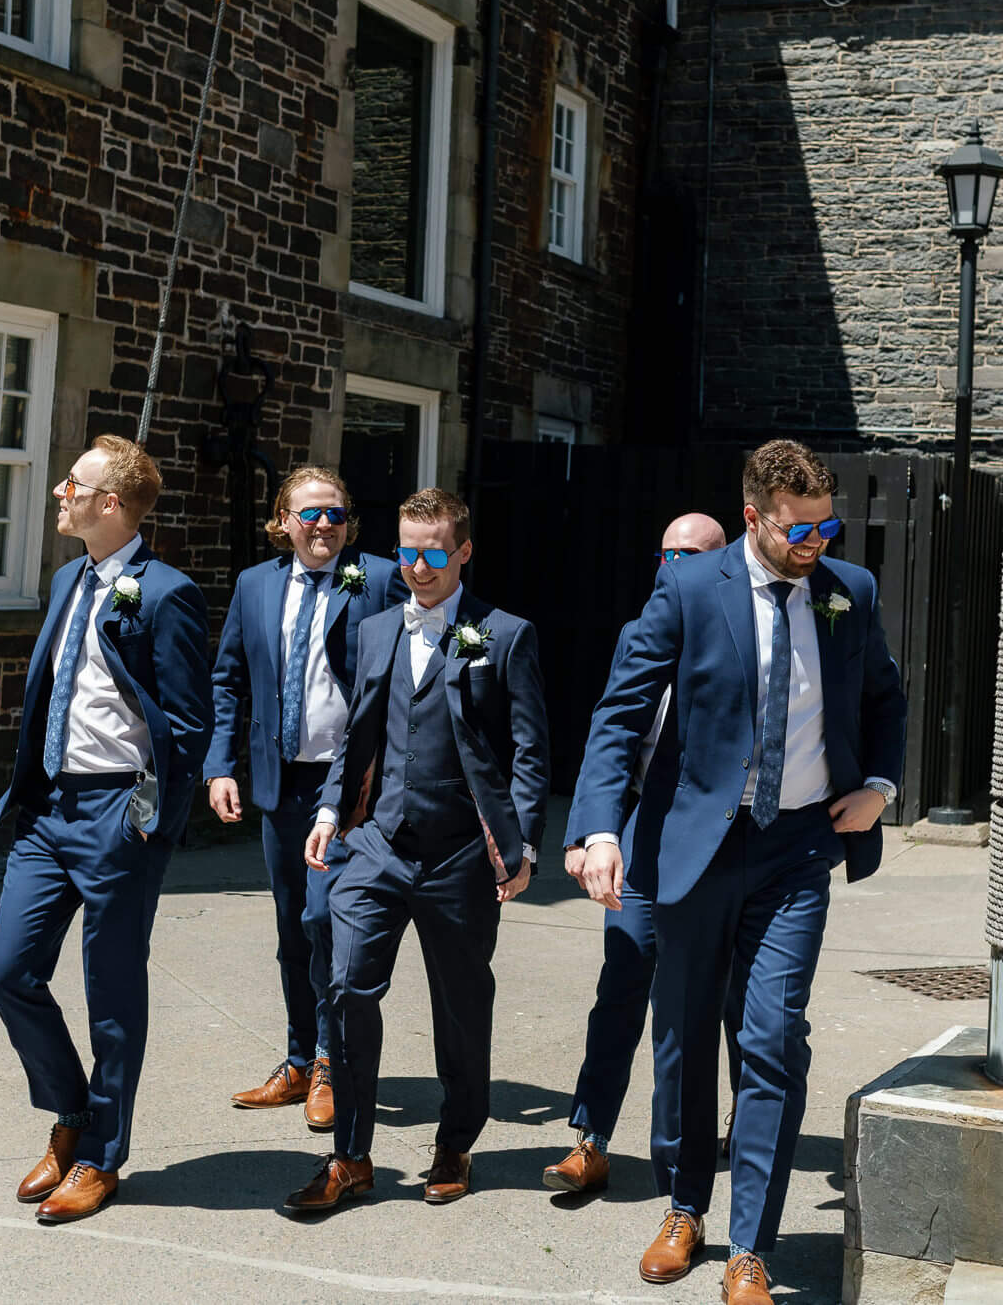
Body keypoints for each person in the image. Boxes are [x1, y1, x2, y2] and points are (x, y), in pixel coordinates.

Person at [570, 440, 907, 1305]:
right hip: (694, 848)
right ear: (754, 516)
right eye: (800, 528)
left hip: (795, 851)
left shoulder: (848, 594)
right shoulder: (689, 589)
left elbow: (884, 699)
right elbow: (619, 712)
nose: (818, 541)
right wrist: (599, 828)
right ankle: (684, 1207)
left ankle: (749, 1247)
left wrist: (878, 785)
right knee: (682, 1036)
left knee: (769, 1038)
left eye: (828, 524)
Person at [282, 488, 551, 1214]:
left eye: (435, 552)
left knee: (461, 1006)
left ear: (464, 551)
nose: (419, 566)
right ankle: (351, 1155)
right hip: (376, 846)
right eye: (407, 551)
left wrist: (520, 842)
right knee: (344, 987)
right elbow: (357, 733)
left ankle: (455, 1140)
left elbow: (529, 751)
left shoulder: (505, 634)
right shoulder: (372, 632)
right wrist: (332, 808)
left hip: (461, 853)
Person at [0, 435, 212, 1226]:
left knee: (111, 994)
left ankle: (101, 1157)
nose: (58, 490)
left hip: (119, 814)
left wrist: (144, 826)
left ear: (108, 504)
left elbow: (186, 728)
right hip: (49, 813)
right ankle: (71, 1112)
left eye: (72, 483)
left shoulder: (165, 593)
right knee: (10, 971)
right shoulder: (65, 579)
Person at [544, 511, 737, 1199]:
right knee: (622, 981)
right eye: (668, 556)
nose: (677, 568)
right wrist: (591, 831)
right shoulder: (637, 634)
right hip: (640, 834)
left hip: (716, 843)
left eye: (694, 557)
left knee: (715, 1004)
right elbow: (612, 730)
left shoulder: (737, 635)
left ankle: (708, 1149)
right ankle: (590, 1140)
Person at [206, 467, 405, 1131]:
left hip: (348, 788)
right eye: (311, 513)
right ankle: (297, 1058)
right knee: (293, 928)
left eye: (338, 514)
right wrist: (220, 766)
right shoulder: (255, 586)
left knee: (325, 920)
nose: (325, 525)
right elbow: (229, 679)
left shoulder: (376, 578)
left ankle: (328, 1059)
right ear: (283, 519)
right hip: (278, 781)